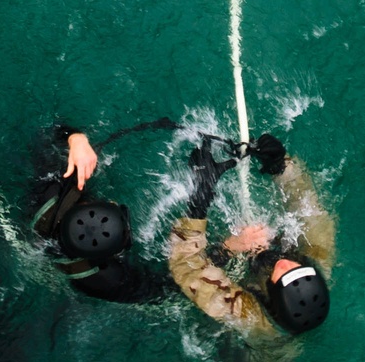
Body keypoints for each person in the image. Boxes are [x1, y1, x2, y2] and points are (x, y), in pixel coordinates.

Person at [168, 134, 335, 338]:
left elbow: (184, 267)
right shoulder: (318, 260)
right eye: (297, 267)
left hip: (236, 350)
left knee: (163, 289)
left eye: (282, 273)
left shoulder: (245, 314)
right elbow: (308, 209)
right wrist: (280, 166)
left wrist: (200, 202)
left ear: (269, 298)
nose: (285, 263)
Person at [29, 124, 174, 304]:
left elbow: (47, 131)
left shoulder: (52, 192)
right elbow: (167, 292)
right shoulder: (106, 280)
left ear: (84, 205)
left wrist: (76, 139)